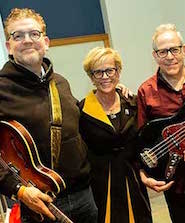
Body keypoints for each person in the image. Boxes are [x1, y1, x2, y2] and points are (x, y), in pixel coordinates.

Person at [0, 8, 98, 223]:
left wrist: (112, 94)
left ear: (45, 42)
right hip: (40, 205)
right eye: (18, 35)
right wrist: (18, 190)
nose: (27, 41)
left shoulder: (61, 82)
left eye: (34, 34)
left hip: (84, 196)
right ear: (9, 46)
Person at [79, 47, 152, 223]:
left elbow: (146, 139)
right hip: (101, 185)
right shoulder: (82, 111)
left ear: (118, 72)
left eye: (110, 70)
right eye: (98, 72)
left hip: (133, 181)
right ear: (91, 77)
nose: (105, 77)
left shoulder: (133, 103)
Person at [137, 24, 185, 223]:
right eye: (163, 51)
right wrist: (143, 173)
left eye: (174, 49)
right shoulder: (146, 91)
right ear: (155, 56)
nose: (170, 56)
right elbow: (140, 140)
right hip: (177, 184)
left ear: (183, 50)